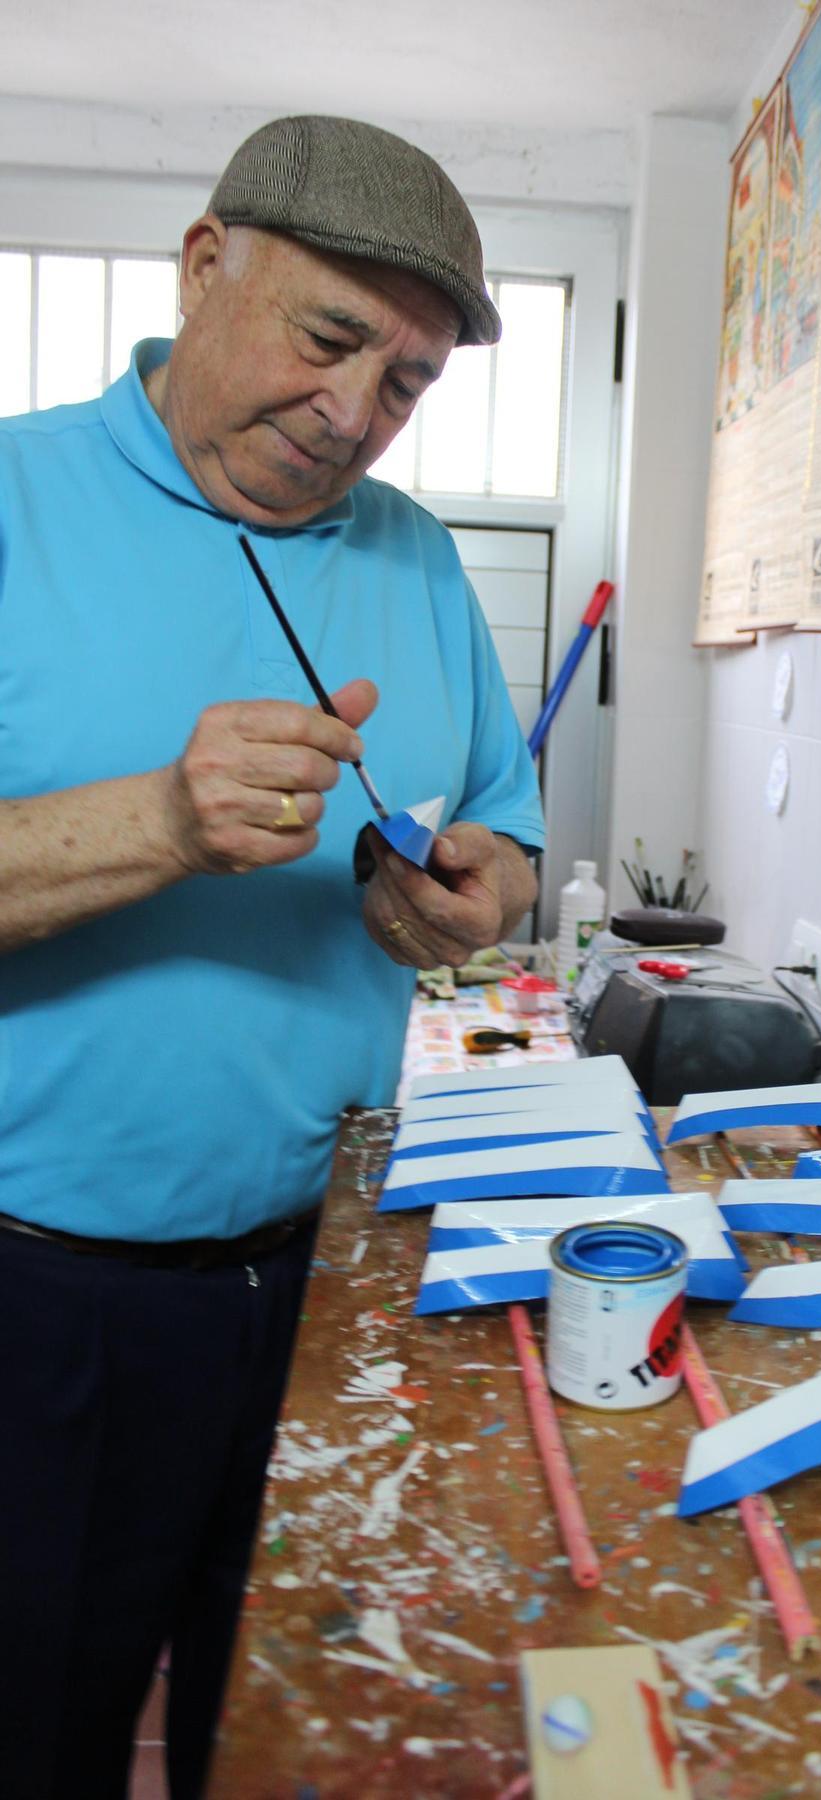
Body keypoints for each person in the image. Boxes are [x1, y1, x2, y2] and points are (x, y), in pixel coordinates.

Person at [0, 115, 543, 1799]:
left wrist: (472, 899)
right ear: (201, 267)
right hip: (33, 1299)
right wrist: (160, 821)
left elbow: (508, 834)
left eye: (407, 384)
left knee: (294, 1736)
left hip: (329, 1276)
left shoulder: (417, 556)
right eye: (328, 338)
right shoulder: (13, 499)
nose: (354, 414)